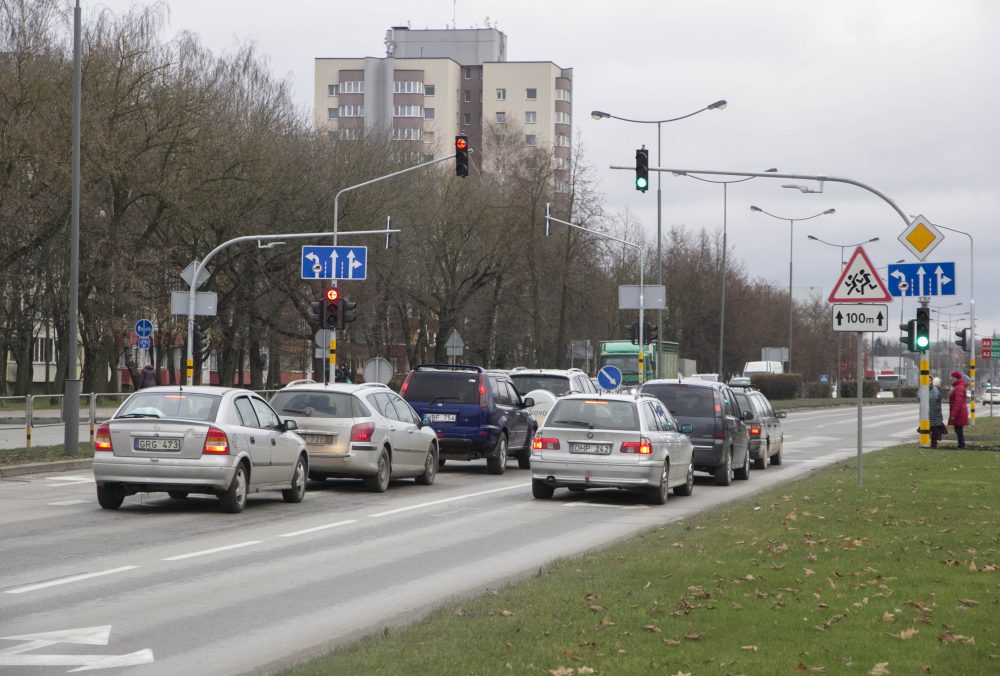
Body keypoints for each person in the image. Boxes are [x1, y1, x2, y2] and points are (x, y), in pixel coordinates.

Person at [948, 370, 969, 449]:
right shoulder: (958, 386)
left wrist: (953, 414)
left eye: (952, 377)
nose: (951, 379)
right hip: (959, 412)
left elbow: (958, 402)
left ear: (956, 378)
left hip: (959, 412)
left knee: (958, 429)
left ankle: (961, 445)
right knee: (958, 429)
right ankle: (961, 445)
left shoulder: (959, 387)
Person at [928, 376, 945, 448]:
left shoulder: (935, 390)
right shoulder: (924, 389)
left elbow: (936, 400)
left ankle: (933, 445)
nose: (928, 382)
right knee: (933, 430)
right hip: (932, 414)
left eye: (929, 380)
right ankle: (932, 444)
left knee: (934, 430)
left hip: (934, 414)